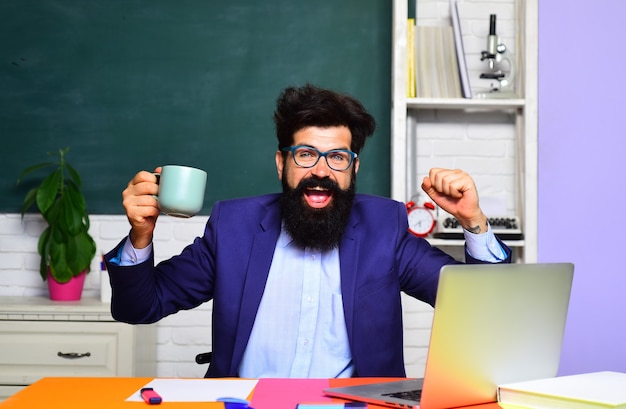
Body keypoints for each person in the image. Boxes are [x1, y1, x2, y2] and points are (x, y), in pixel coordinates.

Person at [105, 84, 511, 379]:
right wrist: (141, 234)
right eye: (306, 154)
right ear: (282, 164)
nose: (321, 171)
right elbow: (139, 307)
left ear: (354, 169)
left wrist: (473, 222)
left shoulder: (383, 227)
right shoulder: (235, 226)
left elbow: (482, 310)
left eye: (337, 157)